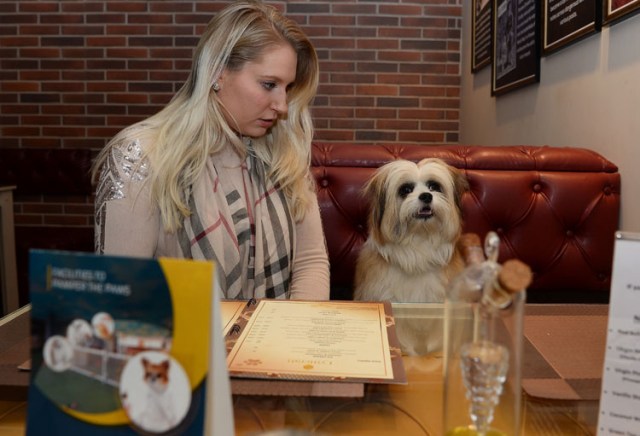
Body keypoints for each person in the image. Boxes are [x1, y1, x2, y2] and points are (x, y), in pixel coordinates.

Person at [92, 0, 330, 301]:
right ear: (218, 72)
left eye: (287, 88)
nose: (282, 105)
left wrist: (292, 341)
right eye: (269, 84)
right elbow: (120, 295)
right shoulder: (141, 157)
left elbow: (310, 262)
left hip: (275, 344)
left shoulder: (282, 151)